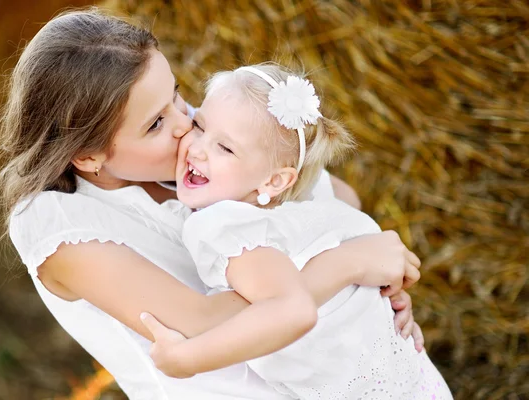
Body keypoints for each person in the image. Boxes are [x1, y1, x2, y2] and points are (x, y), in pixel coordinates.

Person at [0, 9, 422, 399]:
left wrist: (366, 301)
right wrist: (346, 265)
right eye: (157, 122)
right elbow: (201, 322)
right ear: (87, 156)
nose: (185, 124)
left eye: (176, 95)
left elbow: (336, 197)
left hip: (332, 379)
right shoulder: (58, 224)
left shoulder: (195, 137)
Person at [140, 64, 453, 399]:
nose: (197, 148)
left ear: (274, 181)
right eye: (200, 126)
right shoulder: (313, 214)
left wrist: (186, 359)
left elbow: (288, 309)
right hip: (420, 382)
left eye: (225, 148)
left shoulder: (222, 225)